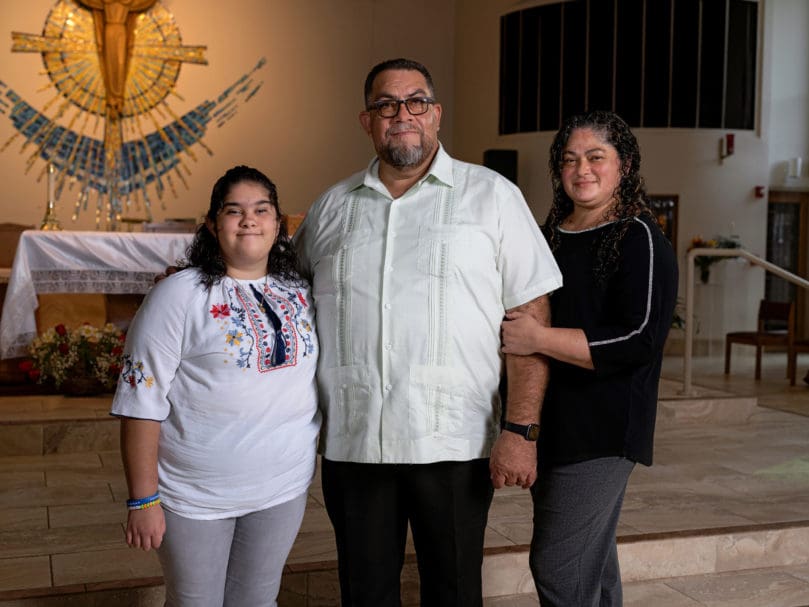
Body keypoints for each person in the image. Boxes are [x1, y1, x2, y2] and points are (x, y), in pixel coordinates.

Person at [293, 58, 562, 606]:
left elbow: (530, 318)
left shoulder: (493, 197)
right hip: (356, 441)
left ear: (436, 114)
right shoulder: (329, 209)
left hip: (454, 441)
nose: (402, 115)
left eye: (416, 102)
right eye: (386, 105)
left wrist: (522, 430)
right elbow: (289, 305)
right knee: (364, 595)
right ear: (366, 121)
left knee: (454, 592)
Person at [111, 165, 320, 607]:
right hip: (194, 495)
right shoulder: (177, 295)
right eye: (234, 210)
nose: (249, 220)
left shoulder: (300, 289)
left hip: (281, 488)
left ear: (279, 223)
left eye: (262, 210)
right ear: (211, 223)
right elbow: (139, 401)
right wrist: (142, 500)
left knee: (258, 601)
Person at [501, 110, 678, 606]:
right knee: (591, 564)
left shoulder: (638, 236)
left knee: (558, 564)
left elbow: (638, 338)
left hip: (604, 429)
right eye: (570, 159)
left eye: (596, 157)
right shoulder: (546, 236)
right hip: (550, 422)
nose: (583, 169)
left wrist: (537, 337)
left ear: (624, 165)